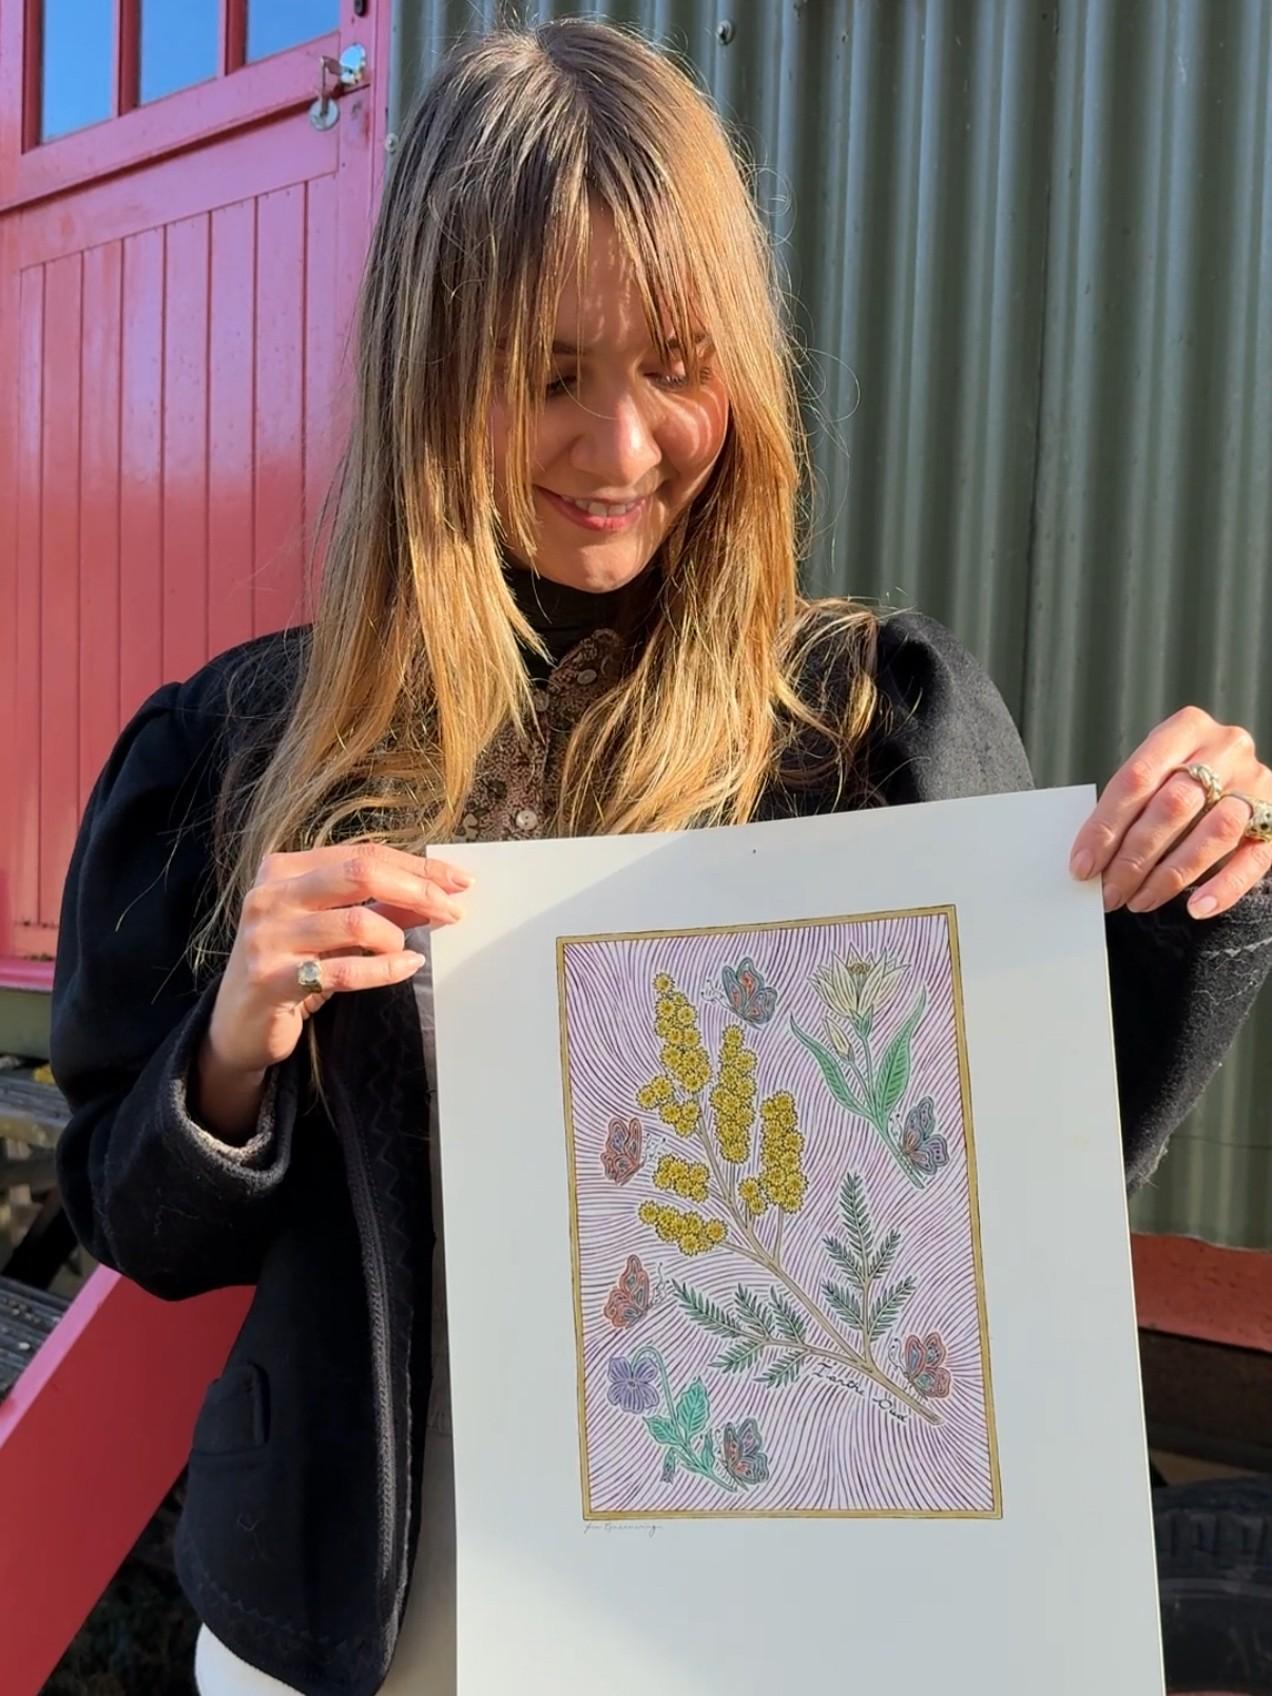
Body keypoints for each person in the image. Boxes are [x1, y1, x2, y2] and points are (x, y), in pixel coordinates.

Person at [49, 18, 1272, 1696]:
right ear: (429, 366)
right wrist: (236, 1052)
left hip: (757, 1615)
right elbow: (140, 1221)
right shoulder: (249, 750)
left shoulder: (863, 724)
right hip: (369, 1623)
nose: (621, 450)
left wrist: (1187, 892)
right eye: (547, 374)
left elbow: (1012, 1207)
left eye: (675, 365)